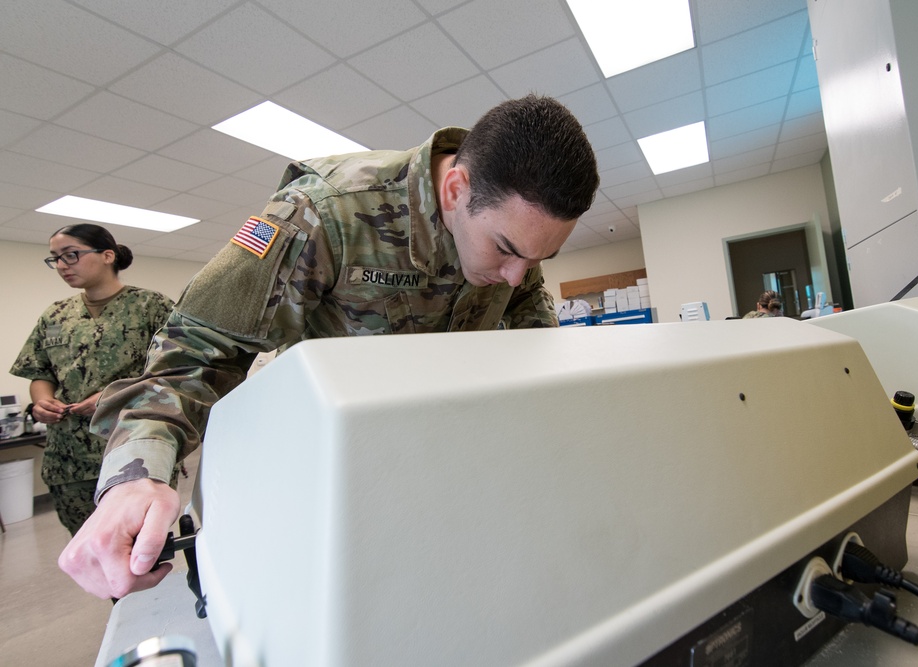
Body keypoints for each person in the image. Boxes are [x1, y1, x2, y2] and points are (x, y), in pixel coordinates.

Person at [58, 94, 600, 598]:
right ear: (456, 190)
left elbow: (532, 342)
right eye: (505, 250)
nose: (515, 277)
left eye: (536, 261)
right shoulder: (325, 212)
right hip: (345, 480)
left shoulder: (515, 247)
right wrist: (135, 477)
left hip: (450, 470)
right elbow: (194, 353)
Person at [9, 224, 175, 535]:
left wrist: (112, 396)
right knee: (89, 544)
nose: (61, 265)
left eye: (71, 255)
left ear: (107, 255)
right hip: (69, 458)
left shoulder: (152, 306)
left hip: (133, 449)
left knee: (142, 544)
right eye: (55, 258)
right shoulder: (56, 315)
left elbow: (174, 371)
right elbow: (39, 370)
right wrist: (42, 400)